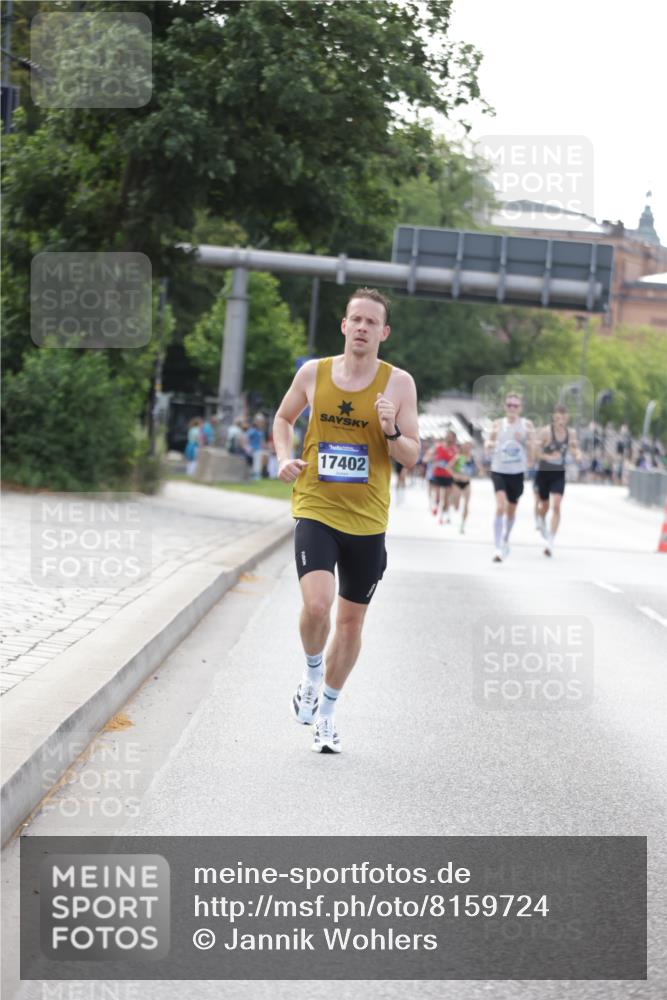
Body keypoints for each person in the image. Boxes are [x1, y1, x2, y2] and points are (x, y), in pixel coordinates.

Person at [273, 288, 419, 754]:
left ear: (384, 332)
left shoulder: (398, 385)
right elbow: (283, 417)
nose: (361, 327)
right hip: (316, 506)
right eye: (355, 319)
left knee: (351, 625)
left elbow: (412, 456)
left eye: (371, 322)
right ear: (343, 325)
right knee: (317, 607)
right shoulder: (313, 373)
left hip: (368, 521)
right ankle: (312, 673)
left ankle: (328, 714)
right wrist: (282, 457)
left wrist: (391, 429)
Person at [486, 392, 536, 562]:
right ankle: (497, 547)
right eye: (509, 405)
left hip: (517, 472)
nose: (512, 408)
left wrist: (531, 454)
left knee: (511, 510)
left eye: (516, 405)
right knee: (500, 506)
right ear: (505, 407)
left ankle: (506, 537)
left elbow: (533, 445)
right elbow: (488, 443)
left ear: (520, 408)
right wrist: (490, 444)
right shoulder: (497, 424)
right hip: (499, 469)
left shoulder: (527, 425)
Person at [535, 404, 581, 557]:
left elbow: (574, 448)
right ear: (553, 417)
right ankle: (540, 518)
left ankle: (550, 542)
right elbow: (536, 453)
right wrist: (548, 456)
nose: (560, 420)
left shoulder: (571, 433)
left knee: (556, 505)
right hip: (544, 472)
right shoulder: (546, 432)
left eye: (563, 417)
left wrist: (577, 454)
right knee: (545, 505)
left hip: (558, 473)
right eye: (557, 417)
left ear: (567, 418)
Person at [425, 430, 457, 525]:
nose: (449, 438)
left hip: (448, 475)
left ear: (454, 439)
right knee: (438, 495)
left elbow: (457, 462)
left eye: (451, 437)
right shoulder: (438, 446)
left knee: (446, 497)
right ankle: (435, 505)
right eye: (448, 436)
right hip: (437, 474)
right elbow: (429, 454)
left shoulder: (455, 450)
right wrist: (429, 459)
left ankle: (443, 516)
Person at [450, 440, 476, 533]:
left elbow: (477, 468)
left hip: (467, 483)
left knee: (466, 504)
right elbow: (448, 467)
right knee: (456, 505)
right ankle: (451, 505)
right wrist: (454, 475)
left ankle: (462, 525)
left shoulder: (472, 458)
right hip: (457, 483)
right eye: (465, 447)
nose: (467, 449)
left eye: (469, 447)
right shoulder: (458, 457)